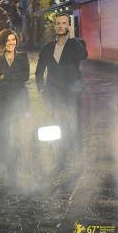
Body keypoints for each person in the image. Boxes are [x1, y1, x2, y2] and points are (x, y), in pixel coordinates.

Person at [35, 13, 87, 155]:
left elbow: (83, 55)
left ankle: (76, 152)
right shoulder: (47, 47)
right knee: (56, 122)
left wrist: (72, 37)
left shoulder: (78, 43)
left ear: (69, 26)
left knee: (73, 122)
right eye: (58, 23)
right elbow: (39, 72)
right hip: (53, 93)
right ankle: (60, 151)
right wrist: (41, 90)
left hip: (72, 93)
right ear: (55, 26)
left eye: (64, 23)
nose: (60, 26)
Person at [0, 29, 30, 169]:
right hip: (3, 102)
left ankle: (21, 160)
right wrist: (13, 77)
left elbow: (25, 77)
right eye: (7, 40)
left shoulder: (23, 56)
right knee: (5, 131)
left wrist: (5, 76)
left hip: (20, 100)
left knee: (19, 129)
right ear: (3, 42)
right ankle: (8, 162)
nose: (11, 43)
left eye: (13, 39)